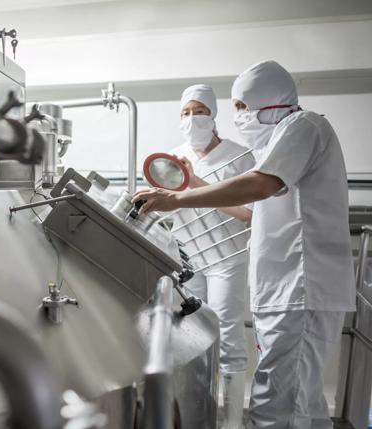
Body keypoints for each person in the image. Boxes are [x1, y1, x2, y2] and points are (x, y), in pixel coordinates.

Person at [135, 61, 356, 428]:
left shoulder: (303, 126)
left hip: (302, 285)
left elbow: (260, 186)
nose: (237, 115)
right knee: (298, 402)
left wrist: (177, 197)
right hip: (283, 286)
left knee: (281, 406)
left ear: (267, 102)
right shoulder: (280, 138)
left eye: (241, 106)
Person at [171, 84, 255, 429]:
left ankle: (232, 422)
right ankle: (196, 416)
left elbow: (249, 213)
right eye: (186, 113)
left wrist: (194, 181)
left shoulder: (240, 156)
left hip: (227, 259)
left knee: (228, 339)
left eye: (200, 111)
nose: (193, 119)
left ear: (214, 115)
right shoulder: (173, 156)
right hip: (189, 261)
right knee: (190, 338)